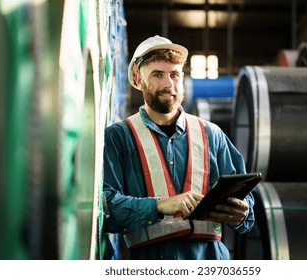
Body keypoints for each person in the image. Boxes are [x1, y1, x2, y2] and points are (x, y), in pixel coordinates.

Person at [103, 35, 255, 260]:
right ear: (138, 77)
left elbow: (246, 206)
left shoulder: (212, 134)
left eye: (174, 74)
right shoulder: (118, 137)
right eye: (157, 75)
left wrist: (242, 212)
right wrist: (159, 205)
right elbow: (106, 209)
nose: (168, 84)